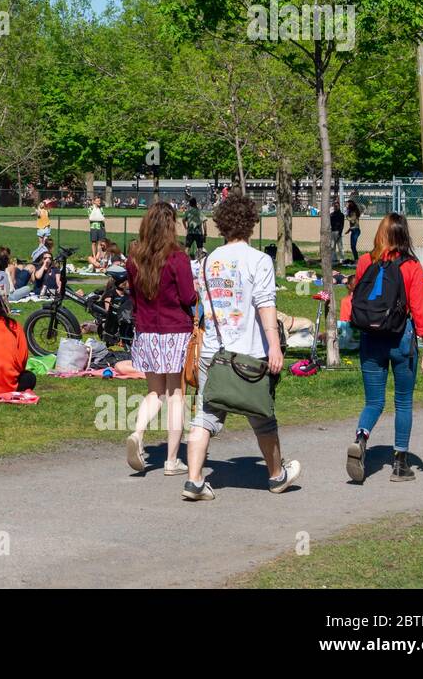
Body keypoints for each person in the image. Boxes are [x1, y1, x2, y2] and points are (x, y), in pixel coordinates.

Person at [183, 192, 302, 501]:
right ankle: (276, 475)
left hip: (213, 352)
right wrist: (275, 347)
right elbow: (265, 306)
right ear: (251, 223)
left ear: (221, 225)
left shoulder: (206, 262)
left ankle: (194, 480)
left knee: (205, 417)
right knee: (263, 416)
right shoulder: (259, 260)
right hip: (249, 353)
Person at [346, 213, 423, 483]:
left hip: (371, 339)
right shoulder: (411, 266)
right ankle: (400, 463)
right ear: (404, 234)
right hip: (401, 339)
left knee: (373, 401)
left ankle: (361, 438)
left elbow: (355, 296)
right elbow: (419, 306)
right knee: (403, 401)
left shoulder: (365, 261)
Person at [125, 202, 197, 477]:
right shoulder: (178, 258)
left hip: (147, 331)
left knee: (154, 392)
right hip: (175, 330)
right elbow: (188, 297)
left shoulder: (133, 259)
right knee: (176, 395)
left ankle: (137, 432)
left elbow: (132, 295)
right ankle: (171, 460)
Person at [87, 196, 107, 261]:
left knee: (100, 243)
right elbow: (91, 219)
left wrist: (103, 226)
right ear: (94, 201)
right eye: (98, 201)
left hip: (101, 227)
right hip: (94, 227)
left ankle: (98, 256)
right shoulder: (90, 209)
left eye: (99, 201)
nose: (99, 202)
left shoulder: (101, 209)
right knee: (93, 242)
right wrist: (99, 219)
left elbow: (103, 218)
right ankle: (94, 256)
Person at [346, 198, 363, 262]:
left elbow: (352, 221)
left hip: (356, 231)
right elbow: (353, 224)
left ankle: (356, 259)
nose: (347, 205)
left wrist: (347, 216)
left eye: (349, 203)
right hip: (354, 230)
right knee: (352, 246)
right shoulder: (351, 211)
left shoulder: (354, 211)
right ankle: (356, 258)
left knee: (353, 246)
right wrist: (349, 230)